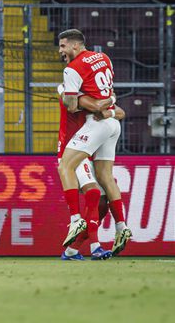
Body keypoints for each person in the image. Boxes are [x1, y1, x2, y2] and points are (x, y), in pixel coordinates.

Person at [57, 29, 132, 258]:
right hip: (110, 125)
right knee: (105, 178)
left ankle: (75, 220)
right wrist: (105, 104)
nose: (60, 51)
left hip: (94, 128)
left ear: (76, 46)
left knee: (65, 168)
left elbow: (71, 105)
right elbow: (114, 107)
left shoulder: (70, 72)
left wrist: (97, 107)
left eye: (63, 46)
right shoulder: (104, 58)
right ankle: (121, 227)